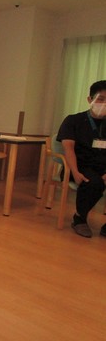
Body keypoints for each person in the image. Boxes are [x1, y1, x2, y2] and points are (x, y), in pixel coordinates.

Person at [57, 80, 106, 238]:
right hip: (79, 165)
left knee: (97, 180)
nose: (104, 104)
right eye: (100, 99)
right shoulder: (73, 121)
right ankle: (80, 218)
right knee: (93, 182)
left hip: (103, 167)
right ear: (89, 99)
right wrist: (75, 172)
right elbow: (69, 148)